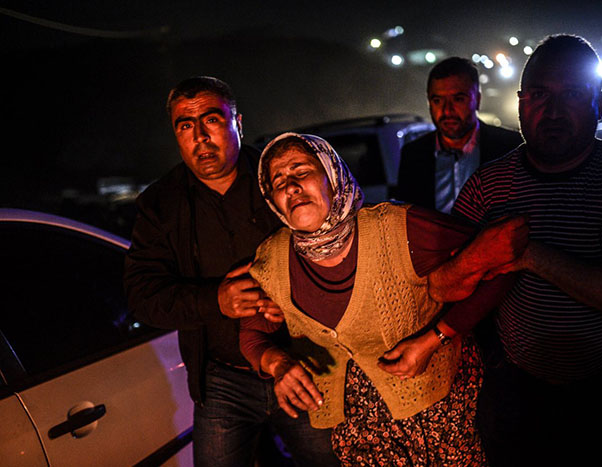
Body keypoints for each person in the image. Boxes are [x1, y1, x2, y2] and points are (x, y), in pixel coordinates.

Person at [447, 35, 602, 467]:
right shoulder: (487, 185)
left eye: (571, 95)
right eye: (538, 95)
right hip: (514, 388)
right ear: (520, 104)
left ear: (600, 103)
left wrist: (527, 254)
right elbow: (446, 277)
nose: (552, 111)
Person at [239, 132, 528, 466]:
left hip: (442, 415)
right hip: (360, 432)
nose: (291, 187)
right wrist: (278, 365)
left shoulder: (398, 228)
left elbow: (504, 259)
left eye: (301, 172)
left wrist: (437, 337)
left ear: (333, 175)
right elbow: (251, 334)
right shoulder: (273, 259)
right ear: (273, 201)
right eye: (278, 182)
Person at [123, 77, 338, 466]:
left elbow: (334, 248)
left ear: (238, 122)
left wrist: (291, 301)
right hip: (223, 379)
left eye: (212, 120)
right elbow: (142, 296)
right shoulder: (161, 203)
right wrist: (215, 300)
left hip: (306, 362)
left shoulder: (277, 176)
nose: (200, 138)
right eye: (185, 126)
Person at [396, 56, 522, 213]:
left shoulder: (511, 147)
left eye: (458, 99)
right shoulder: (413, 154)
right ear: (429, 102)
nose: (447, 110)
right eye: (437, 100)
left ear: (477, 100)